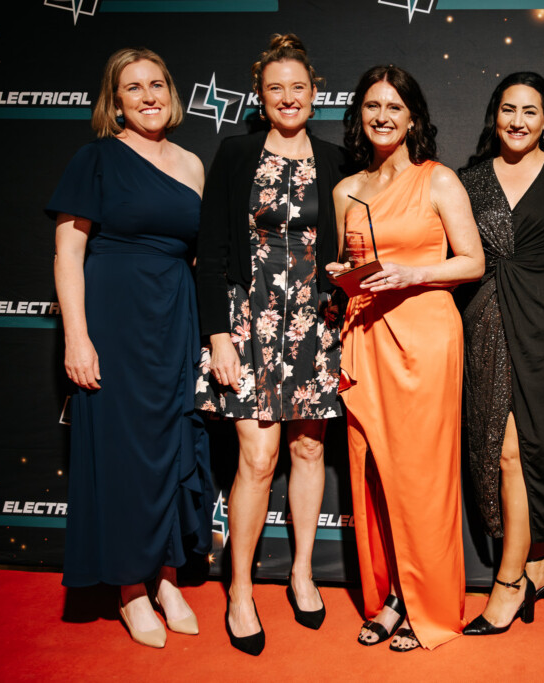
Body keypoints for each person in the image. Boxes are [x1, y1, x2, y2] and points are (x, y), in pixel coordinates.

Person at [48, 47, 211, 649]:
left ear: (171, 93)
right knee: (122, 454)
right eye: (133, 87)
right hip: (114, 321)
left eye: (157, 84)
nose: (148, 96)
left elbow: (197, 256)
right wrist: (77, 337)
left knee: (171, 445)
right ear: (115, 102)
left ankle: (166, 576)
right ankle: (129, 588)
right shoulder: (94, 159)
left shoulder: (191, 164)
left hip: (175, 320)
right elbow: (68, 253)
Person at [194, 34, 351, 656]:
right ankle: (239, 590)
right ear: (260, 97)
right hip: (249, 321)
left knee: (308, 451)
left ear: (315, 94)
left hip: (316, 323)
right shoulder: (236, 154)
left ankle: (302, 573)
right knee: (257, 460)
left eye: (298, 87)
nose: (288, 98)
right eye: (275, 88)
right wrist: (219, 336)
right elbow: (211, 252)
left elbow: (353, 244)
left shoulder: (338, 160)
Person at [326, 65, 484, 652]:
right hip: (364, 334)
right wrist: (343, 274)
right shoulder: (347, 190)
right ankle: (392, 597)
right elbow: (352, 262)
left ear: (412, 116)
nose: (383, 116)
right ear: (359, 116)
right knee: (372, 474)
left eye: (394, 106)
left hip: (424, 338)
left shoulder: (438, 179)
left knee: (421, 477)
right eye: (372, 105)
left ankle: (429, 608)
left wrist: (411, 273)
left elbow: (472, 261)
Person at [457, 72, 544, 636]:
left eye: (530, 111)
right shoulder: (468, 181)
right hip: (487, 324)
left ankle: (517, 575)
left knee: (538, 448)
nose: (518, 121)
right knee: (502, 452)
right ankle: (529, 569)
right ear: (495, 115)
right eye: (508, 109)